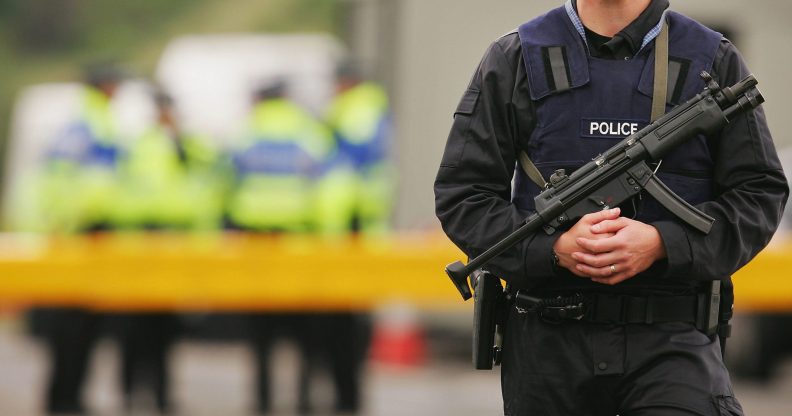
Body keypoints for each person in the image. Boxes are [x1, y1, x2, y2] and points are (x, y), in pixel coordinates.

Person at [434, 1, 788, 415]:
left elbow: (759, 194)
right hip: (549, 346)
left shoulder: (711, 57)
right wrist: (554, 249)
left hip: (673, 342)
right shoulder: (517, 57)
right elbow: (464, 195)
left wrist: (663, 242)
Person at [225, 80, 336, 414]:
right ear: (287, 98)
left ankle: (262, 400)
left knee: (261, 333)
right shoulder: (309, 133)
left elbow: (225, 185)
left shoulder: (246, 132)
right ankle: (303, 399)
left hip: (256, 243)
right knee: (304, 332)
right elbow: (329, 187)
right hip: (299, 242)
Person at [34, 64, 125, 414]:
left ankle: (69, 398)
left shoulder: (96, 119)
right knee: (72, 325)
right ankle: (63, 400)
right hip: (79, 232)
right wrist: (67, 221)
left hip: (90, 232)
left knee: (85, 325)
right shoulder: (87, 121)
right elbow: (60, 179)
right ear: (104, 85)